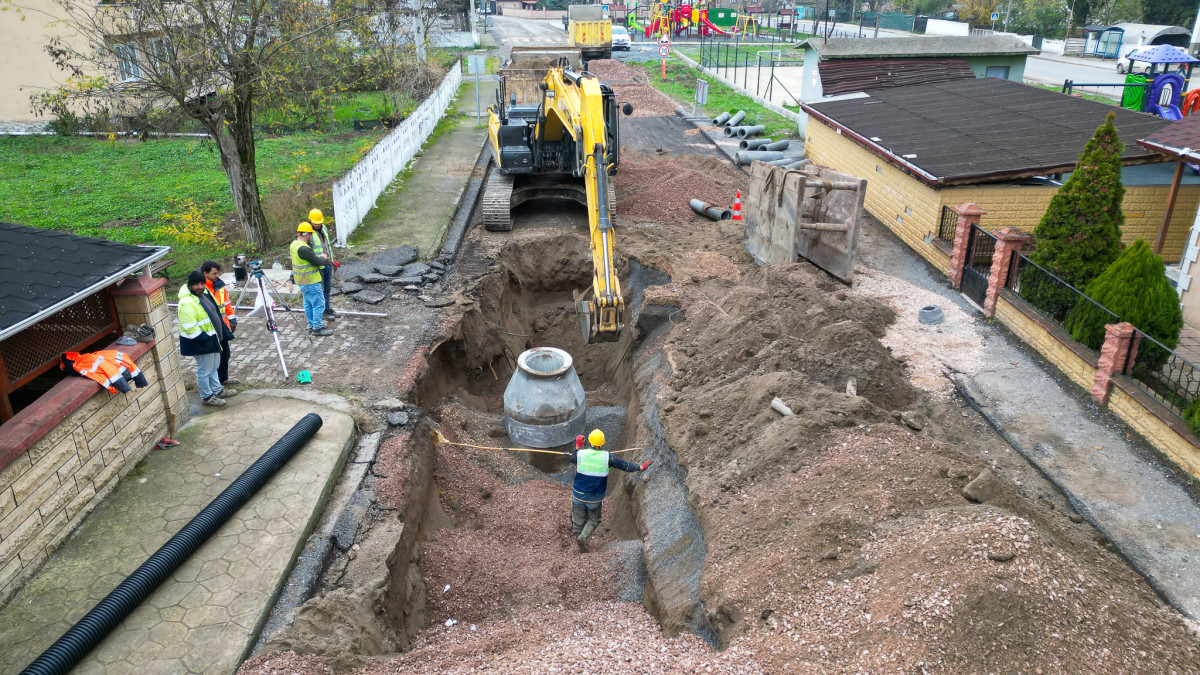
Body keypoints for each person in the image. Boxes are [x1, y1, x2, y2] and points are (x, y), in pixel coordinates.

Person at [569, 428, 652, 552]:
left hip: (578, 494)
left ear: (589, 442)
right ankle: (583, 537)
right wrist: (641, 467)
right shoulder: (607, 457)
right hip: (595, 497)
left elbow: (573, 458)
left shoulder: (581, 454)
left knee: (577, 518)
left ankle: (578, 538)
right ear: (603, 443)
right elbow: (625, 466)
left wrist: (578, 445)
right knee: (594, 519)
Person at [177, 270, 237, 407]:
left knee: (213, 367)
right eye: (197, 284)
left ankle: (217, 390)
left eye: (202, 283)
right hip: (201, 342)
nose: (200, 286)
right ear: (190, 285)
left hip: (212, 338)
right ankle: (207, 397)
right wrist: (204, 339)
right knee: (204, 371)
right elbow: (189, 326)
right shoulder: (186, 302)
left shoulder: (202, 294)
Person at [201, 260, 239, 389]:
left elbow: (226, 304)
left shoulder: (219, 286)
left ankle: (222, 378)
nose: (217, 275)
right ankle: (215, 383)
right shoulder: (202, 289)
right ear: (204, 273)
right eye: (214, 273)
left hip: (222, 326)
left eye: (218, 273)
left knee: (225, 354)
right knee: (215, 358)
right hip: (211, 329)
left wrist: (232, 318)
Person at [291, 222, 333, 336]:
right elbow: (317, 261)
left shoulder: (294, 245)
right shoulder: (304, 249)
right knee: (319, 304)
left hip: (302, 281)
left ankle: (312, 324)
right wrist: (323, 257)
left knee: (308, 304)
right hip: (310, 280)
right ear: (308, 235)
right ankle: (318, 328)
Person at [306, 208, 339, 324]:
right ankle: (323, 313)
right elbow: (308, 252)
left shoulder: (323, 228)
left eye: (319, 222)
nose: (318, 224)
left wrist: (332, 260)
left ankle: (327, 309)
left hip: (327, 264)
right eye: (316, 222)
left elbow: (327, 245)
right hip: (317, 266)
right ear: (311, 221)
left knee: (327, 289)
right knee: (320, 291)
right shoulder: (308, 232)